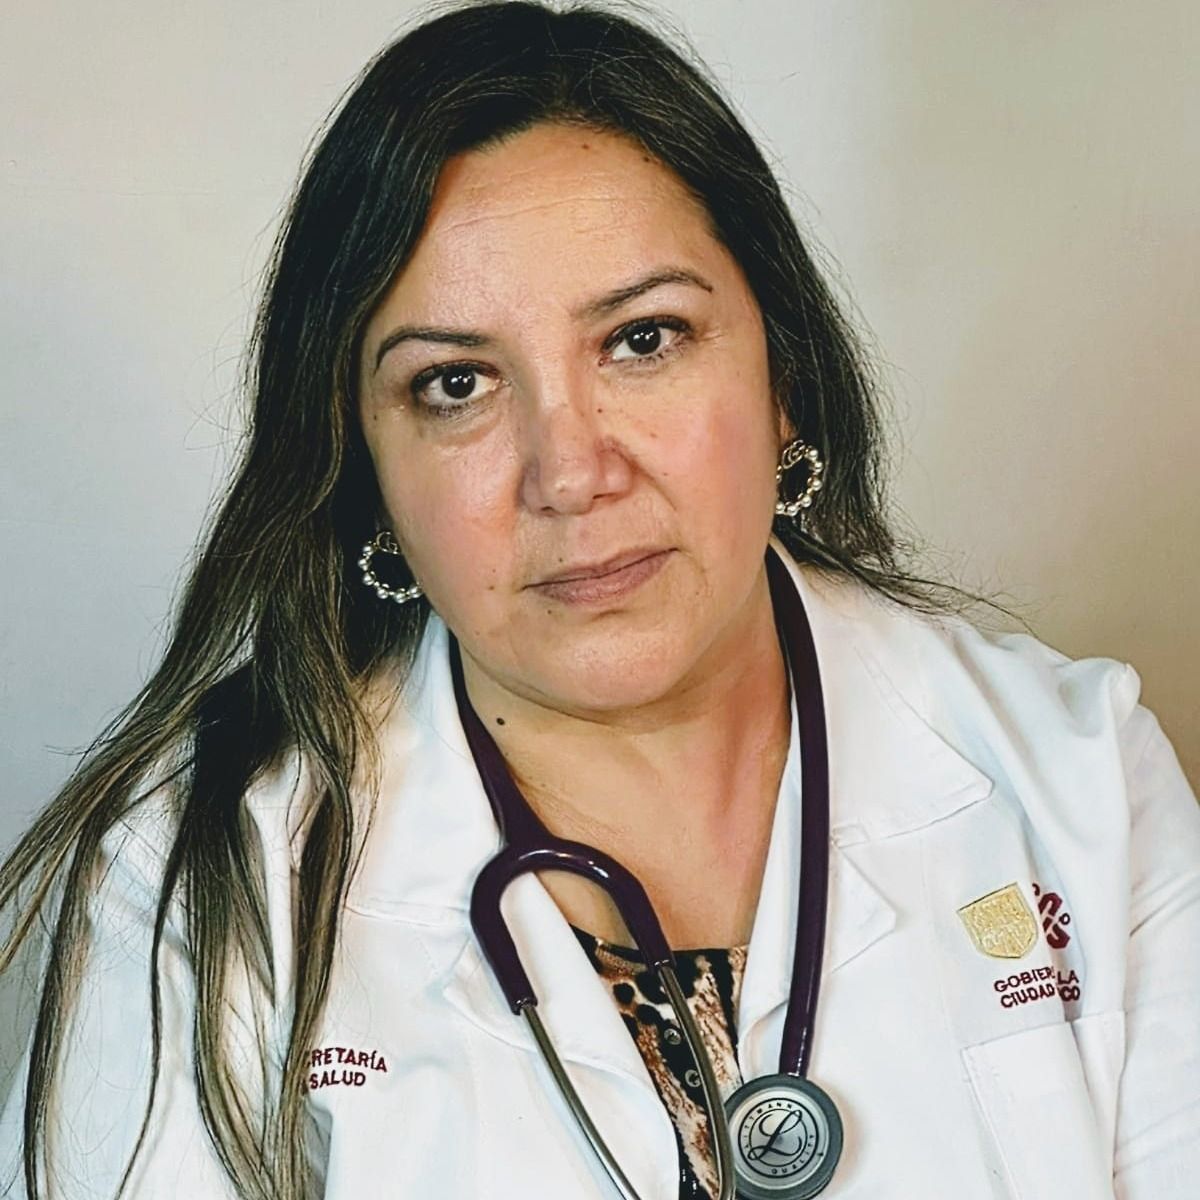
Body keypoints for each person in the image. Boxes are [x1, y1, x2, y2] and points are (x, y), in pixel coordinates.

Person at [2, 2, 1197, 1197]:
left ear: (783, 375)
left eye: (643, 339)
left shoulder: (1082, 781)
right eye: (455, 384)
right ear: (364, 469)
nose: (571, 473)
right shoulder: (203, 883)